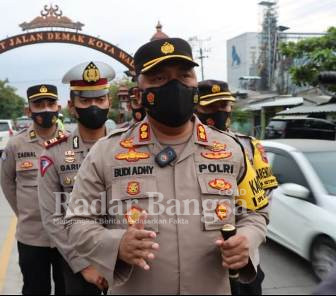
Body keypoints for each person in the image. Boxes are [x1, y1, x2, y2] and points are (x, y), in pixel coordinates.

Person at [64, 37, 270, 294]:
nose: (175, 85)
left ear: (195, 83)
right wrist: (116, 244)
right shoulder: (106, 153)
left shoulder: (231, 149)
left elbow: (256, 212)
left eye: (184, 76)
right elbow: (76, 222)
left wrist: (246, 240)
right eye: (159, 78)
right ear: (139, 93)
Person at [37, 61, 115, 295]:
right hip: (80, 262)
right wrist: (83, 265)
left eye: (100, 100)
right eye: (85, 101)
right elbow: (52, 217)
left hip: (123, 256)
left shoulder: (127, 146)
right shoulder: (54, 152)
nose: (94, 106)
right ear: (72, 106)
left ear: (109, 102)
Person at [196, 79, 279, 295]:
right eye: (209, 106)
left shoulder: (249, 146)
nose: (218, 112)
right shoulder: (181, 149)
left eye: (223, 105)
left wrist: (246, 237)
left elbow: (263, 202)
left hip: (245, 261)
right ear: (194, 107)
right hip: (198, 266)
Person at [0, 84, 65, 295]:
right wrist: (25, 213)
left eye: (50, 103)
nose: (46, 109)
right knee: (35, 289)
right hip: (32, 237)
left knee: (69, 289)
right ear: (28, 110)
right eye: (39, 104)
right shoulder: (16, 145)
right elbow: (7, 183)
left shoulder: (72, 142)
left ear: (59, 106)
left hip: (67, 235)